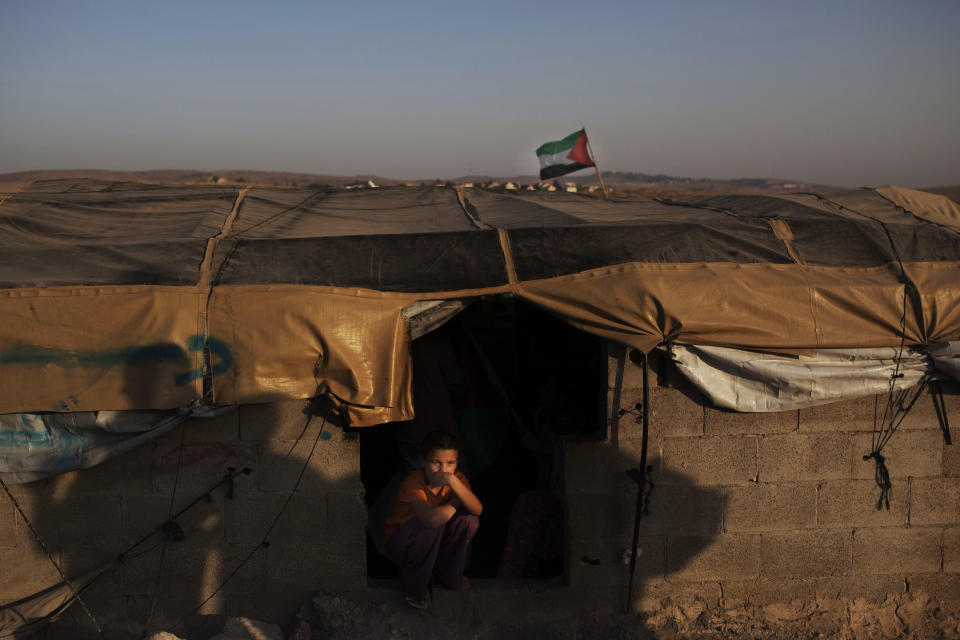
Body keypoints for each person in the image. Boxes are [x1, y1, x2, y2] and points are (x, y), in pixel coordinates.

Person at [382, 430, 482, 609]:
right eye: (436, 462)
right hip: (403, 544)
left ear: (457, 463)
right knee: (431, 527)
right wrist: (456, 502)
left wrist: (452, 481)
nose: (444, 470)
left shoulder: (456, 480)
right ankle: (415, 588)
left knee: (469, 520)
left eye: (450, 463)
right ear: (423, 461)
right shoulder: (414, 482)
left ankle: (448, 574)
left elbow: (477, 509)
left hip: (435, 541)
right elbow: (430, 521)